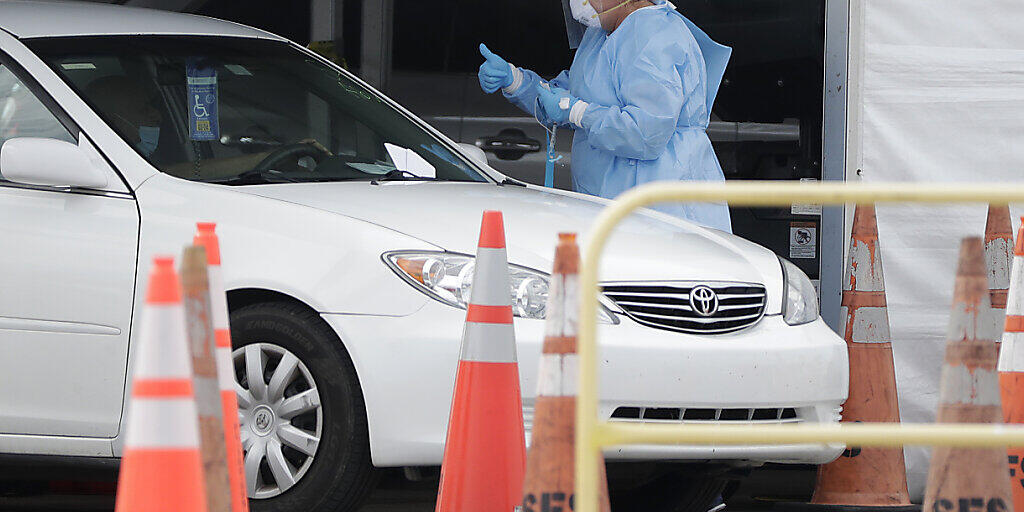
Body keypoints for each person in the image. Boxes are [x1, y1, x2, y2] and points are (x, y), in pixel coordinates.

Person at [477, 0, 733, 233]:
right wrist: (516, 81)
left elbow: (645, 132)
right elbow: (570, 96)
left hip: (661, 201)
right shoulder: (601, 36)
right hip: (610, 200)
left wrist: (577, 111)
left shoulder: (653, 34)